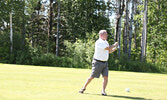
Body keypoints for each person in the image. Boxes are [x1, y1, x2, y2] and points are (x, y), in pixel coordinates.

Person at [79, 30, 118, 96]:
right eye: (105, 34)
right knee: (92, 77)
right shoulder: (99, 42)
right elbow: (107, 48)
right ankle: (83, 88)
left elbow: (109, 51)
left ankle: (103, 91)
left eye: (106, 34)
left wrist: (114, 48)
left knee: (106, 77)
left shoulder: (106, 42)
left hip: (105, 63)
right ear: (101, 35)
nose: (107, 35)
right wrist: (114, 45)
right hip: (98, 62)